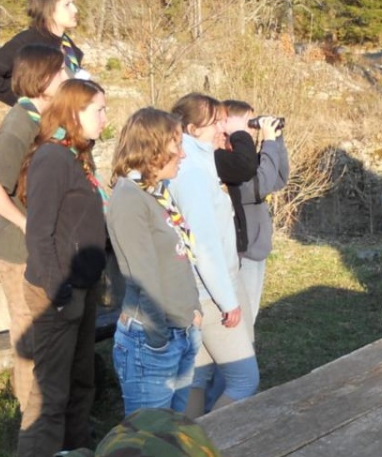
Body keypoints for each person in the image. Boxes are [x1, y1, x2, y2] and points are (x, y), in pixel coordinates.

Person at [0, 45, 69, 457]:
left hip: (41, 253)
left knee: (46, 343)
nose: (68, 78)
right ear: (43, 80)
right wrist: (27, 223)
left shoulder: (39, 118)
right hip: (21, 256)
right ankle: (34, 448)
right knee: (31, 344)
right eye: (62, 73)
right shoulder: (19, 121)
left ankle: (52, 434)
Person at [17, 79, 110, 457]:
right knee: (50, 395)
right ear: (74, 113)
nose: (106, 119)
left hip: (82, 287)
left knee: (81, 385)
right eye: (99, 110)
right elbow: (39, 234)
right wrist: (60, 293)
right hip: (58, 292)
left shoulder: (76, 155)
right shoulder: (52, 159)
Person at [106, 107, 202, 414]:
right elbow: (141, 277)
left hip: (181, 330)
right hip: (152, 341)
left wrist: (192, 311)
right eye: (177, 144)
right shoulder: (129, 199)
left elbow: (177, 257)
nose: (183, 154)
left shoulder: (156, 192)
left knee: (173, 437)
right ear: (153, 148)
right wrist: (159, 339)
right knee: (148, 443)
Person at [169, 93, 258, 415]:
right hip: (211, 292)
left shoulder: (198, 161)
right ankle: (210, 446)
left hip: (204, 289)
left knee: (200, 376)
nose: (225, 127)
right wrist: (228, 300)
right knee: (244, 381)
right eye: (217, 122)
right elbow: (203, 243)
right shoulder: (191, 172)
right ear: (192, 129)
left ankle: (186, 448)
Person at [216, 100, 289, 328]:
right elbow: (261, 185)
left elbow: (278, 178)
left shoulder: (242, 162)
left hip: (256, 248)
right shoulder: (226, 164)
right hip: (240, 254)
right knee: (242, 322)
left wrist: (275, 140)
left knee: (251, 317)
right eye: (248, 125)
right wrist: (266, 142)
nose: (250, 133)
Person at [0, 0, 85, 106]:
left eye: (73, 3)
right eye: (67, 5)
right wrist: (28, 103)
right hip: (40, 122)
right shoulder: (27, 41)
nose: (75, 10)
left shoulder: (68, 45)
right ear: (49, 9)